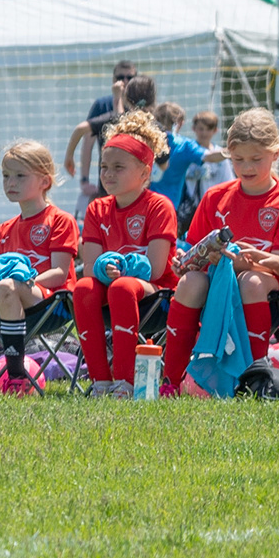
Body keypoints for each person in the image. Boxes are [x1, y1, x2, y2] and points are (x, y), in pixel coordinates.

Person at [162, 108, 279, 394]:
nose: (247, 167)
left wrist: (247, 262)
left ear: (276, 154)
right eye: (238, 159)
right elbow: (194, 247)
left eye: (256, 159)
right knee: (190, 282)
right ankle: (171, 380)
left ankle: (253, 378)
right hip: (216, 281)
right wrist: (189, 259)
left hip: (268, 287)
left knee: (250, 281)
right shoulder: (216, 196)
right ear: (228, 154)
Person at [0, 140, 79, 396]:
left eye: (20, 176)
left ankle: (16, 376)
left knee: (6, 284)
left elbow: (59, 273)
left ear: (45, 182)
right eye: (5, 176)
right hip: (8, 299)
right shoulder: (5, 228)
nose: (10, 183)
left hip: (51, 302)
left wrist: (25, 280)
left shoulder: (60, 220)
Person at [72, 111, 179, 398]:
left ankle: (125, 381)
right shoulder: (96, 209)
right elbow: (91, 267)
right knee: (82, 287)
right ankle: (100, 382)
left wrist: (121, 269)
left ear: (145, 172)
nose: (107, 174)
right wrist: (104, 267)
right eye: (104, 167)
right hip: (114, 290)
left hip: (157, 295)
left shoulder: (159, 206)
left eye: (118, 167)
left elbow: (156, 269)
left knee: (121, 286)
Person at [65, 62, 140, 200]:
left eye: (129, 77)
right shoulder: (102, 104)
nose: (124, 81)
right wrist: (84, 180)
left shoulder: (140, 106)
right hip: (109, 180)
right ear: (113, 80)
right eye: (120, 77)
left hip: (136, 182)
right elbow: (88, 140)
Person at [148, 102, 221, 211]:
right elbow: (209, 156)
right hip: (169, 205)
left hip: (143, 201)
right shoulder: (184, 145)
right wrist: (231, 152)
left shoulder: (147, 140)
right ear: (180, 123)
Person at [191, 110, 233, 195]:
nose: (204, 133)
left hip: (214, 203)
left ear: (215, 130)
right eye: (201, 129)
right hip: (191, 206)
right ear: (194, 129)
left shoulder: (221, 155)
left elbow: (228, 181)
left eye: (208, 129)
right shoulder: (188, 151)